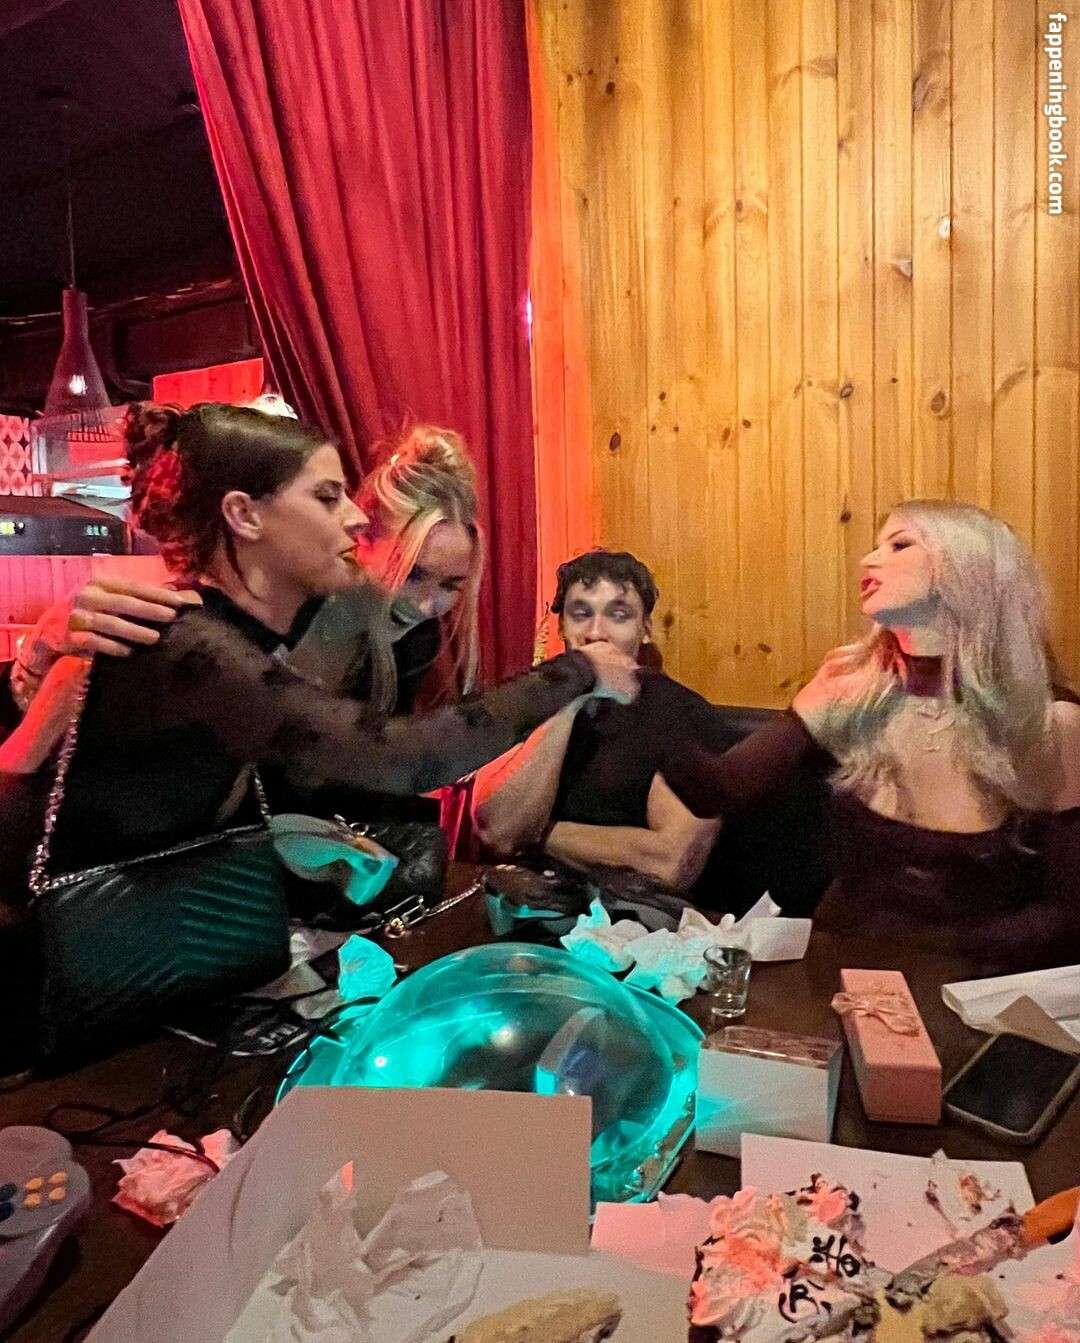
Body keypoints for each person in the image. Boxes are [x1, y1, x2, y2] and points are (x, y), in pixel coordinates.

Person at [0, 401, 637, 893]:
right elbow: (398, 758)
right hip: (80, 947)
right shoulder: (189, 637)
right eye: (328, 498)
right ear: (245, 516)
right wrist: (577, 670)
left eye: (450, 585)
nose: (355, 518)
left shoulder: (234, 630)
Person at [657, 500, 1080, 969]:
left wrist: (937, 968)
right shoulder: (858, 691)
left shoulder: (1049, 721)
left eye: (899, 545)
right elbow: (716, 791)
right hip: (836, 974)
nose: (869, 560)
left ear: (965, 569)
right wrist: (639, 690)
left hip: (969, 992)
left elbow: (1067, 914)